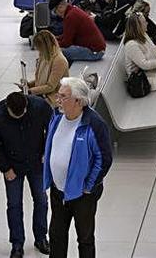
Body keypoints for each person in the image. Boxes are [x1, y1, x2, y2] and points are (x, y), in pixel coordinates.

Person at [44, 77, 113, 258]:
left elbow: (104, 159)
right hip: (58, 191)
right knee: (56, 235)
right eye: (58, 96)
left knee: (85, 238)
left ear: (79, 101)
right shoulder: (57, 116)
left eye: (63, 97)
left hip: (83, 194)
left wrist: (89, 186)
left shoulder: (94, 124)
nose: (58, 100)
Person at [0, 91, 53, 258]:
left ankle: (41, 237)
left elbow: (52, 128)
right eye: (14, 115)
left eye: (22, 113)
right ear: (7, 107)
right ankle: (17, 243)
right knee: (14, 204)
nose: (19, 117)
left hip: (37, 162)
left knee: (42, 200)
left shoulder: (39, 107)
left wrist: (47, 150)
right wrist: (5, 168)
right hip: (12, 165)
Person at [52, 0, 106, 64]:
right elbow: (68, 35)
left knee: (54, 51)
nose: (57, 15)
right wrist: (55, 38)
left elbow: (66, 43)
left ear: (60, 7)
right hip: (97, 49)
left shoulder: (70, 16)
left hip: (94, 52)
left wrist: (52, 44)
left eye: (55, 12)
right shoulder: (73, 10)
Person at [25, 31, 70, 107]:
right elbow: (40, 80)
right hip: (43, 93)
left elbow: (50, 87)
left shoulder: (59, 60)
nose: (38, 50)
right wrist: (28, 85)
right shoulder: (44, 56)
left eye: (39, 48)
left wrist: (30, 91)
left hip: (53, 97)